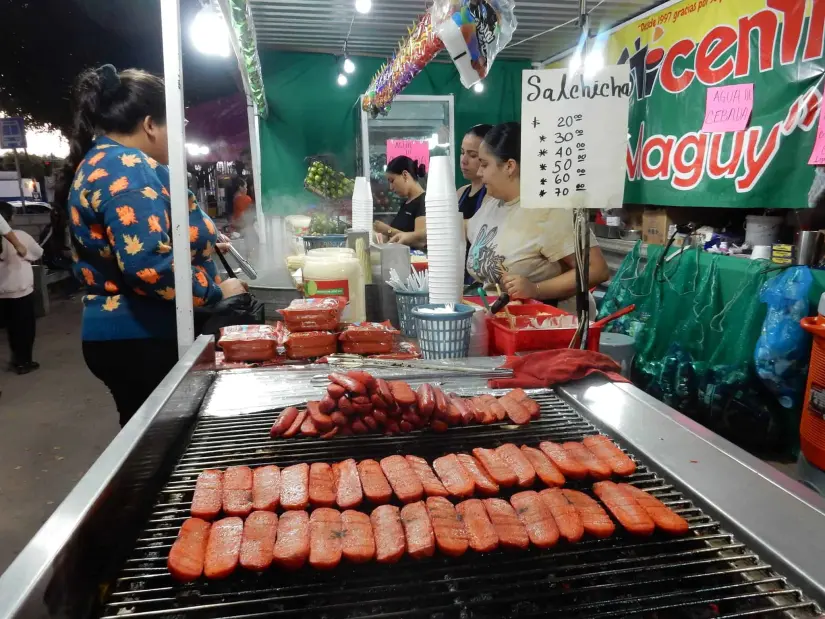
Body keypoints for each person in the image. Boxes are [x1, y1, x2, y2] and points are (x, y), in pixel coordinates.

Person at [57, 64, 246, 427]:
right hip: (142, 338)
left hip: (126, 337)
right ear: (149, 125)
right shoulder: (127, 167)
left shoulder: (107, 160)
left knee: (146, 439)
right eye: (175, 126)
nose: (179, 136)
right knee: (164, 450)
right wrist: (214, 290)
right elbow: (148, 267)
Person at [466, 122, 609, 311]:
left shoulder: (550, 210)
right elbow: (468, 228)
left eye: (485, 164)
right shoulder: (492, 204)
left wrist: (536, 289)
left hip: (546, 326)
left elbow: (596, 269)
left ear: (509, 166)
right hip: (501, 320)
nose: (479, 172)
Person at [0, 201, 43, 374]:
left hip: (2, 293)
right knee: (25, 329)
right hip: (21, 290)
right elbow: (37, 253)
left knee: (11, 329)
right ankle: (24, 362)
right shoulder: (20, 236)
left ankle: (15, 359)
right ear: (10, 218)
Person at [374, 155, 427, 248]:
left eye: (392, 181)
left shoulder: (423, 202)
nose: (391, 187)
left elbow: (421, 242)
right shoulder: (406, 203)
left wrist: (388, 230)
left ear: (405, 175)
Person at [457, 124, 492, 219]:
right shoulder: (460, 193)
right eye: (462, 152)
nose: (463, 161)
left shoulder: (493, 196)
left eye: (473, 155)